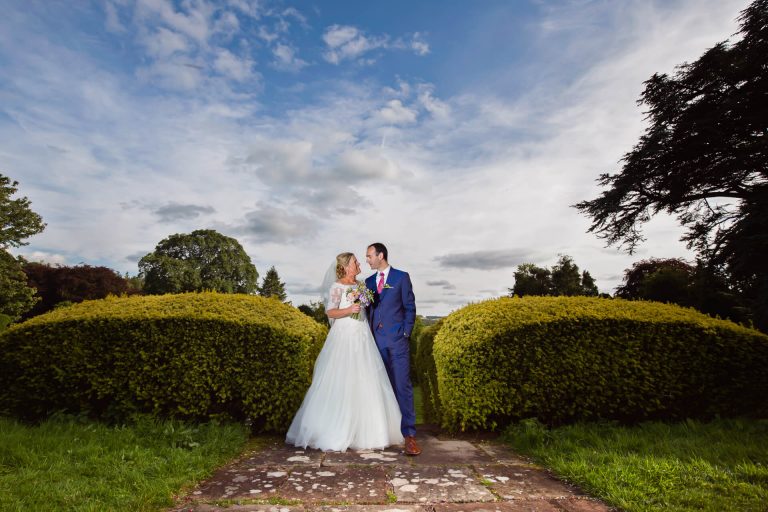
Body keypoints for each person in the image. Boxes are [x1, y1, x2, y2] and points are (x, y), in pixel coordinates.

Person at [285, 252, 403, 451]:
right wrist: (350, 310)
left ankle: (369, 431)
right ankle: (336, 429)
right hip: (344, 336)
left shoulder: (362, 285)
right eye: (355, 261)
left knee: (366, 379)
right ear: (346, 266)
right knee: (342, 378)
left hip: (363, 335)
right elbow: (331, 312)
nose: (359, 263)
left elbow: (367, 308)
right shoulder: (337, 286)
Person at [365, 243, 421, 456]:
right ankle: (384, 433)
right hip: (375, 344)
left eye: (370, 256)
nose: (367, 260)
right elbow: (367, 309)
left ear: (381, 255)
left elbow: (410, 307)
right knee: (379, 389)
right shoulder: (368, 282)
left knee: (402, 387)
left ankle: (409, 436)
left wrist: (405, 333)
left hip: (397, 342)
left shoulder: (401, 277)